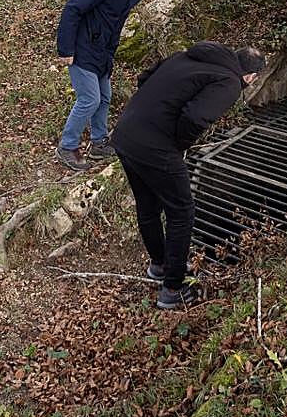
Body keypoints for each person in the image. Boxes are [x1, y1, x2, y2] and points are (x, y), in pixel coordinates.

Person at [112, 42, 264, 309]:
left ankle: (159, 265)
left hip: (125, 134)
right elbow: (196, 117)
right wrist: (179, 144)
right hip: (155, 146)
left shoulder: (186, 55)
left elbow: (144, 78)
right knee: (182, 210)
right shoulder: (229, 82)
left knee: (148, 205)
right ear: (250, 77)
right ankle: (172, 288)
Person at [55, 0, 169, 171]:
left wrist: (109, 53)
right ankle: (67, 147)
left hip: (102, 53)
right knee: (90, 98)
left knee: (104, 98)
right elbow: (72, 8)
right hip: (82, 49)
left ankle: (99, 143)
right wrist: (66, 48)